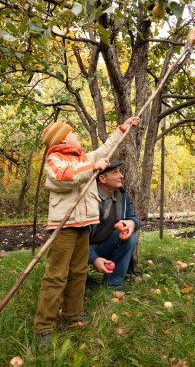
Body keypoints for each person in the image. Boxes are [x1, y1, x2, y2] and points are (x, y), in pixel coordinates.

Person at [34, 117, 139, 344]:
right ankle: (43, 325)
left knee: (79, 271)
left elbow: (105, 150)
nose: (76, 134)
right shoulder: (55, 159)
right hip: (64, 226)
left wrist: (123, 129)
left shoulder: (83, 158)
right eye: (72, 132)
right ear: (62, 138)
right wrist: (92, 166)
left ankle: (72, 314)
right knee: (56, 275)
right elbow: (63, 178)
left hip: (83, 225)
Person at [89, 160, 140, 290]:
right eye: (115, 172)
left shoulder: (122, 196)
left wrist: (131, 223)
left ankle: (112, 284)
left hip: (104, 244)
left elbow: (133, 217)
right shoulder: (87, 198)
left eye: (119, 172)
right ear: (102, 178)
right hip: (82, 247)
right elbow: (76, 237)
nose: (121, 176)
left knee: (131, 237)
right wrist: (94, 258)